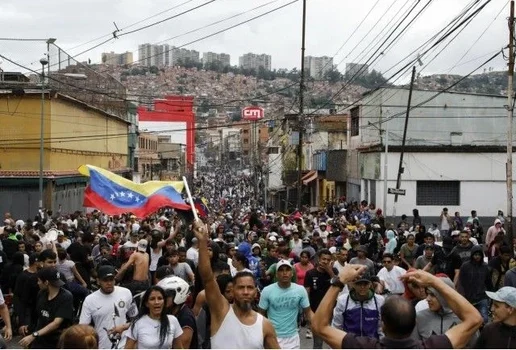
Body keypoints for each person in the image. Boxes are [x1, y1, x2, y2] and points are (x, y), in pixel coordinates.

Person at [311, 265, 483, 349]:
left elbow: (319, 326)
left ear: (382, 324)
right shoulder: (434, 346)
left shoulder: (364, 347)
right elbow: (474, 319)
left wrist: (339, 281)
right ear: (414, 322)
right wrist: (434, 281)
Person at [193, 220, 279, 349]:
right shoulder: (221, 311)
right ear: (232, 291)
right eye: (240, 287)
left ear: (256, 292)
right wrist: (202, 242)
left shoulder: (265, 325)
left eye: (250, 288)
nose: (245, 292)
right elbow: (207, 278)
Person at [79, 265, 138, 349]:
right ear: (98, 281)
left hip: (125, 345)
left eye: (111, 279)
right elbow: (83, 328)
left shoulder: (126, 293)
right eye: (105, 280)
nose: (109, 283)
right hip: (102, 345)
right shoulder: (89, 300)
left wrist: (124, 327)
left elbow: (136, 320)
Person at [258, 259, 312, 348]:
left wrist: (318, 328)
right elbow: (261, 315)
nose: (284, 273)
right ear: (276, 274)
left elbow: (308, 312)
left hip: (293, 338)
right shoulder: (267, 290)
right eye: (281, 270)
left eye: (287, 270)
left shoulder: (300, 290)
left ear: (292, 273)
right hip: (273, 337)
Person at [411, 275, 478, 347]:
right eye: (427, 294)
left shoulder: (465, 319)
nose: (427, 299)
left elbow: (475, 346)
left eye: (433, 295)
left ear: (445, 295)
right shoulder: (420, 317)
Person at [19, 267, 74, 349]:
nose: (38, 283)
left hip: (56, 341)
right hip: (40, 339)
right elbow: (38, 316)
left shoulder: (66, 297)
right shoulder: (41, 294)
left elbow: (56, 323)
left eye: (39, 280)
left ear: (46, 282)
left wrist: (34, 335)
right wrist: (29, 328)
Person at [304, 249, 338, 347]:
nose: (326, 262)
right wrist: (308, 312)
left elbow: (339, 286)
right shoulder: (310, 274)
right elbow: (307, 293)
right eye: (323, 259)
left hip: (331, 311)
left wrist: (330, 271)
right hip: (316, 312)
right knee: (318, 343)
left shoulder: (334, 272)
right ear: (319, 259)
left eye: (328, 259)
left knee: (333, 342)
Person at [157, 275, 198, 349]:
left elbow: (183, 346)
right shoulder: (171, 313)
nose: (162, 299)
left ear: (179, 294)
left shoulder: (186, 318)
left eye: (166, 295)